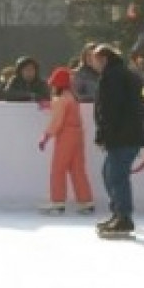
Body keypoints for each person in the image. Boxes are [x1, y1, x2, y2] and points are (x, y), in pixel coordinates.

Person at [91, 44, 144, 236]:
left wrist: (103, 134)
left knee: (116, 176)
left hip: (122, 135)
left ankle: (123, 217)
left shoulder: (112, 77)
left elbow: (109, 109)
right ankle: (119, 213)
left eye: (95, 59)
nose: (93, 63)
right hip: (127, 134)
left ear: (104, 59)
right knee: (110, 174)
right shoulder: (123, 74)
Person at [38, 67, 94, 214]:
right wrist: (50, 105)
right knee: (77, 169)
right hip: (78, 134)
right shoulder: (72, 98)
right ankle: (86, 201)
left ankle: (57, 202)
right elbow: (62, 109)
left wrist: (46, 136)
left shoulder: (60, 99)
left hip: (66, 135)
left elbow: (57, 121)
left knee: (58, 168)